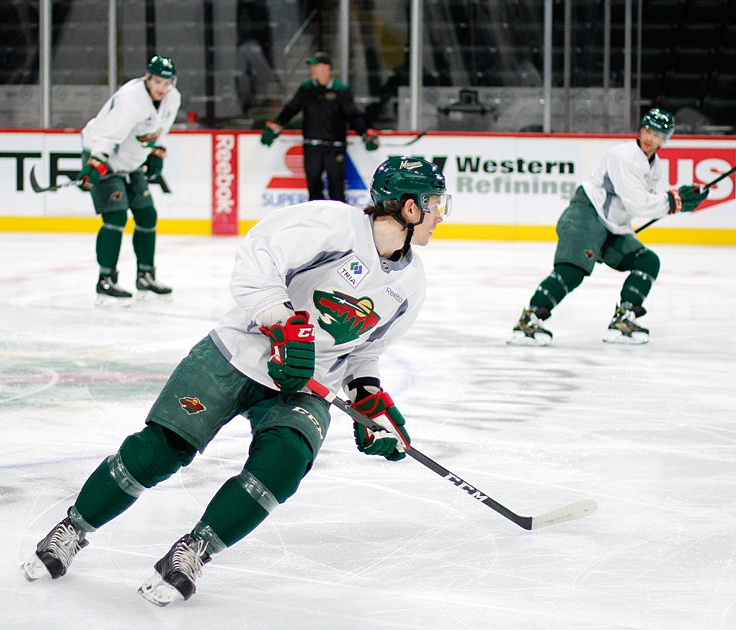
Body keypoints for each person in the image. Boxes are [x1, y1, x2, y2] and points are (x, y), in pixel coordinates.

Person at [22, 156, 451, 605]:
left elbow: (365, 349)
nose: (440, 215)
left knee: (283, 464)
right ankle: (73, 527)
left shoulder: (411, 283)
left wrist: (368, 397)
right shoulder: (331, 225)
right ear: (406, 207)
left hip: (306, 383)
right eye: (433, 204)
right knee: (160, 450)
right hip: (240, 351)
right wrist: (283, 322)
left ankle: (193, 551)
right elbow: (254, 260)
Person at [507, 108, 709, 346]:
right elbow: (639, 204)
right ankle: (528, 322)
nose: (649, 137)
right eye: (647, 130)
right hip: (586, 217)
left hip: (611, 226)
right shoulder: (624, 156)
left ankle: (624, 320)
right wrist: (676, 201)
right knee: (572, 270)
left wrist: (676, 201)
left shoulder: (654, 166)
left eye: (656, 134)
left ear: (665, 138)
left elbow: (638, 203)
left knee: (647, 261)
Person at [78, 54, 181, 303]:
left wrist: (157, 151)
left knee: (147, 215)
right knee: (116, 216)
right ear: (147, 78)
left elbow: (161, 129)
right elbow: (107, 134)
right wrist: (96, 161)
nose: (162, 88)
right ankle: (106, 280)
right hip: (105, 157)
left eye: (167, 83)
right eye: (158, 82)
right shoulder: (130, 99)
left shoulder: (173, 98)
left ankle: (145, 276)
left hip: (133, 161)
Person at [260, 51, 380, 202]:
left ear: (326, 68)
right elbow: (291, 109)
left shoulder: (340, 90)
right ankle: (317, 223)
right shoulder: (306, 88)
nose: (312, 69)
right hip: (312, 147)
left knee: (336, 189)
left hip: (334, 147)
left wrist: (365, 133)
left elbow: (353, 116)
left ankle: (337, 223)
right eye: (312, 66)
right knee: (313, 188)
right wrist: (276, 125)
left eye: (315, 66)